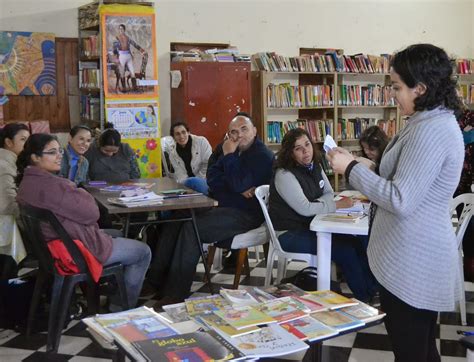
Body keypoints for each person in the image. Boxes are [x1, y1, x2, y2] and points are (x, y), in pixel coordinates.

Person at [327, 44, 464, 362]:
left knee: (413, 352)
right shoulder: (427, 121)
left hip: (414, 262)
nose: (393, 94)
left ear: (421, 87)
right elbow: (410, 180)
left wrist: (349, 169)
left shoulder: (430, 130)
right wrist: (368, 167)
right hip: (414, 256)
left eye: (398, 87)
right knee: (422, 351)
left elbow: (401, 199)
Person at [148, 113, 274, 305]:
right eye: (233, 132)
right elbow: (213, 178)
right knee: (179, 216)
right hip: (221, 205)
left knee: (192, 227)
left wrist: (230, 159)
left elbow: (240, 183)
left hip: (245, 214)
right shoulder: (224, 147)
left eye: (244, 129)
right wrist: (235, 185)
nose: (239, 135)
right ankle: (155, 280)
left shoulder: (262, 155)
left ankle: (176, 293)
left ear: (255, 131)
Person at [16, 134, 151, 310]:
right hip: (74, 252)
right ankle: (119, 309)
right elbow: (92, 213)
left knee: (118, 234)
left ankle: (110, 285)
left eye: (59, 151)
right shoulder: (54, 186)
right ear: (35, 157)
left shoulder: (27, 182)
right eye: (51, 152)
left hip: (52, 248)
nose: (59, 156)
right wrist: (81, 192)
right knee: (143, 252)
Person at [269, 128, 377, 302]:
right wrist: (334, 205)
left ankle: (372, 290)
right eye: (298, 148)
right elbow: (304, 208)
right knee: (345, 251)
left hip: (312, 223)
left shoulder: (314, 165)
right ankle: (364, 298)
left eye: (307, 144)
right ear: (290, 153)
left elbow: (327, 192)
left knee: (357, 241)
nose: (306, 151)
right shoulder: (284, 174)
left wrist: (323, 205)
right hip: (289, 232)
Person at [0, 123, 30, 274]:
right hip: (7, 229)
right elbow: (7, 204)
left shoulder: (12, 162)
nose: (27, 145)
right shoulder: (3, 165)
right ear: (8, 142)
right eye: (23, 140)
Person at [161, 121, 212, 195]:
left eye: (183, 132)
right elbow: (180, 174)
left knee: (193, 181)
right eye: (177, 134)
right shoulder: (172, 153)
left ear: (188, 132)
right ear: (174, 137)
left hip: (206, 179)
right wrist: (187, 188)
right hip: (188, 184)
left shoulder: (201, 141)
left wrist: (196, 181)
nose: (181, 136)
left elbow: (208, 164)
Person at [116, 24, 145, 92]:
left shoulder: (127, 38)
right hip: (121, 56)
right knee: (122, 72)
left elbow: (134, 44)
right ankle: (124, 88)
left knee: (132, 72)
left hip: (128, 56)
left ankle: (134, 87)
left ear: (124, 30)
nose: (121, 30)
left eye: (122, 29)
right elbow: (115, 48)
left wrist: (141, 50)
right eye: (119, 29)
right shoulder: (117, 37)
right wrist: (116, 57)